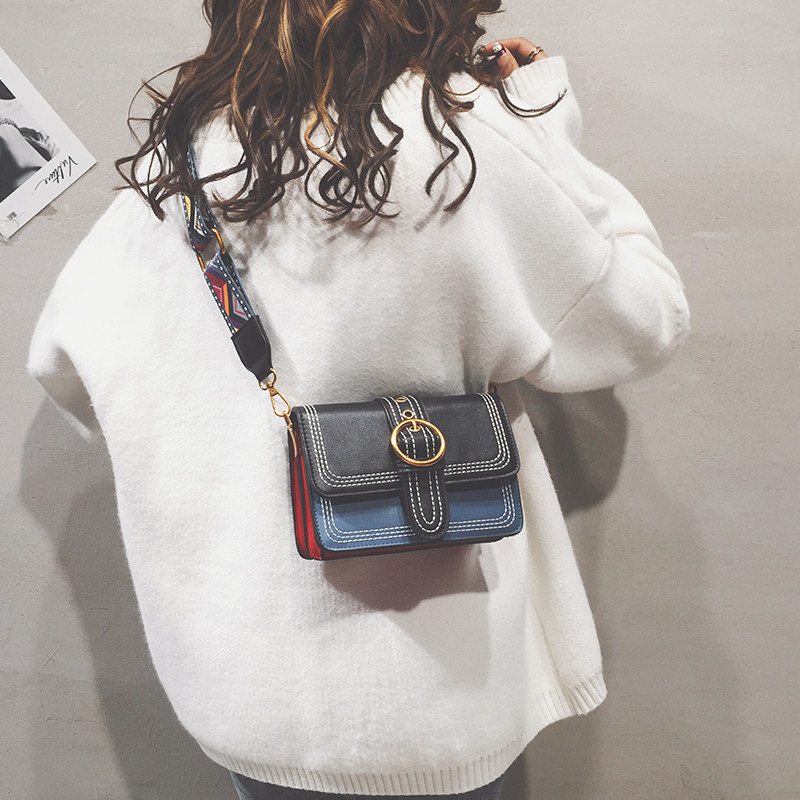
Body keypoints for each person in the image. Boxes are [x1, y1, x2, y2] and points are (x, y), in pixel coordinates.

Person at [27, 1, 689, 798]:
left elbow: (62, 366)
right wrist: (546, 128)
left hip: (248, 683)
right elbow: (642, 320)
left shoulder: (181, 166)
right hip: (434, 685)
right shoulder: (458, 143)